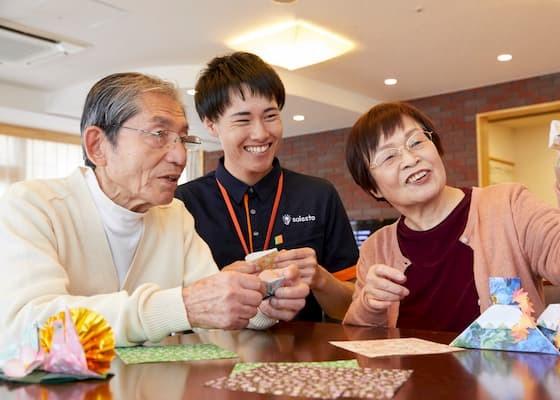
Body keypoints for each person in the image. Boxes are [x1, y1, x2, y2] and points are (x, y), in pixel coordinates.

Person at [0, 72, 309, 348]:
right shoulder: (33, 205)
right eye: (159, 135)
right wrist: (181, 306)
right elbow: (30, 328)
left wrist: (262, 302)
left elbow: (209, 308)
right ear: (98, 146)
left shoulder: (175, 215)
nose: (179, 156)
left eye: (183, 139)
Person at [343, 101, 560, 331]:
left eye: (416, 142)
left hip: (510, 368)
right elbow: (358, 338)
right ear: (373, 188)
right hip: (411, 368)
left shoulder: (509, 203)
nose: (410, 159)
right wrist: (370, 304)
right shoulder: (376, 249)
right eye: (389, 157)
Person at [175, 52, 358, 321]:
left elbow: (351, 308)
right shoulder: (183, 204)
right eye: (243, 120)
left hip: (305, 358)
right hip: (213, 358)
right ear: (211, 124)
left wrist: (319, 278)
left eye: (270, 116)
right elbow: (173, 308)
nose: (261, 133)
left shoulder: (319, 195)